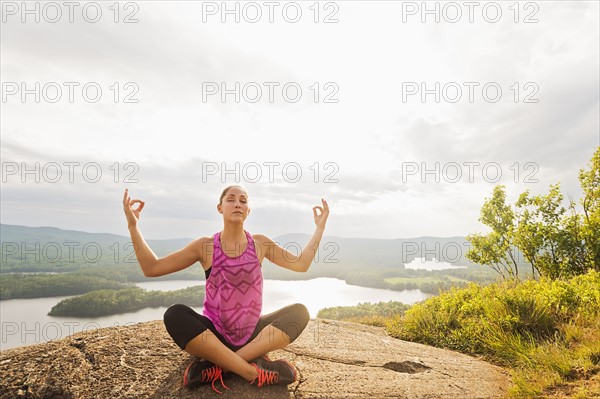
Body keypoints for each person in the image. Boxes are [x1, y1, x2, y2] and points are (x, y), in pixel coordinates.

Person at [122, 185, 330, 394]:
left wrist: (319, 228)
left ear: (248, 211)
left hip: (252, 336)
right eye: (231, 199)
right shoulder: (205, 246)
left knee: (299, 312)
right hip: (214, 337)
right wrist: (133, 226)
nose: (238, 203)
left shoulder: (260, 244)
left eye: (243, 200)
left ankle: (220, 367)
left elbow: (300, 264)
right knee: (174, 314)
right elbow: (152, 268)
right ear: (220, 208)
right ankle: (251, 372)